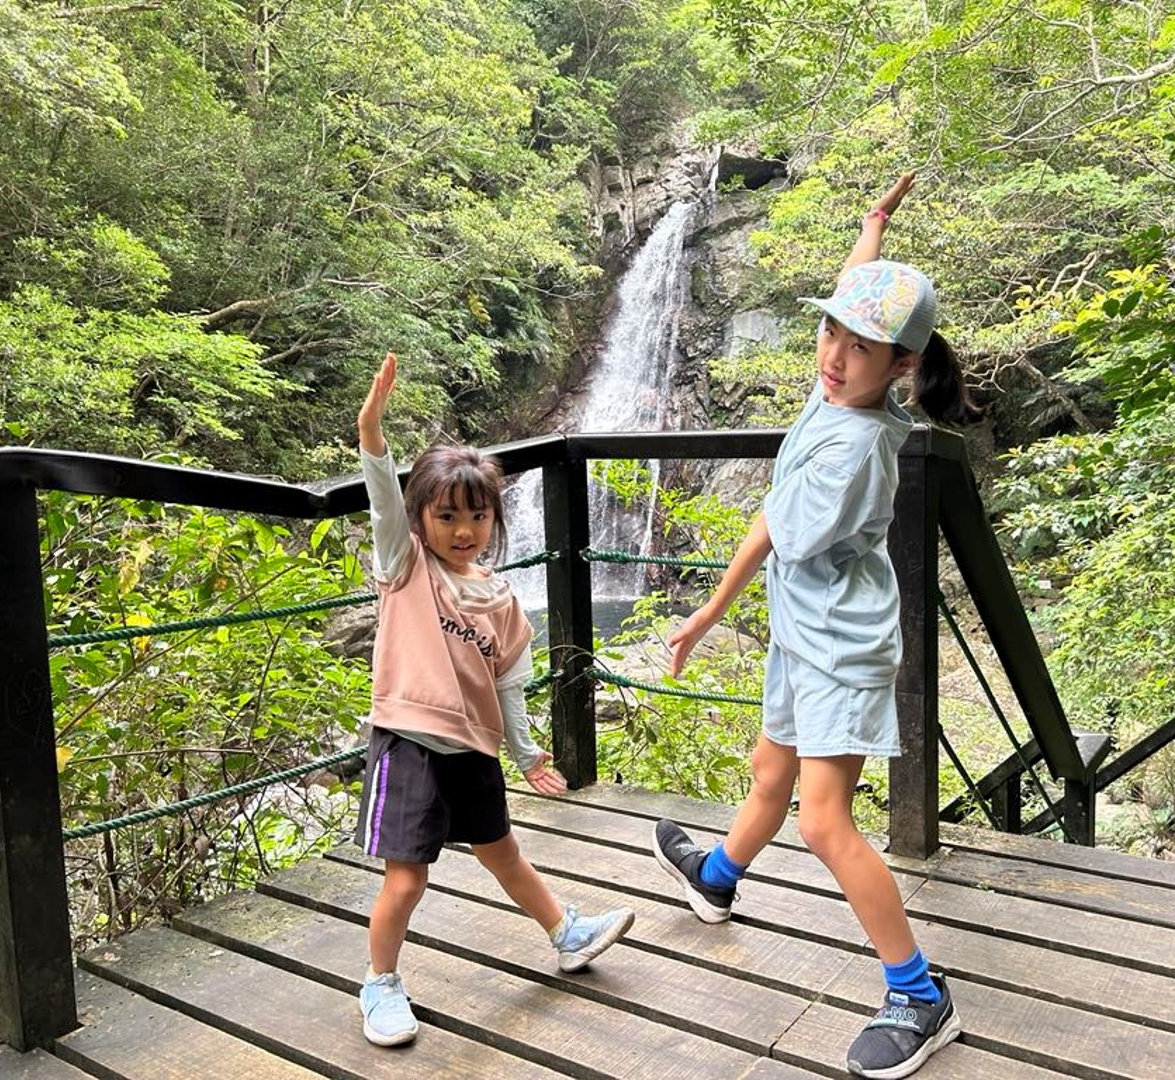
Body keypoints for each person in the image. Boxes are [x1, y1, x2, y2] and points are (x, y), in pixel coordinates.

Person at [652, 173, 977, 1078]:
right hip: (804, 635)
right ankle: (715, 879)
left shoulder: (857, 450)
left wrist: (711, 609)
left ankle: (919, 993)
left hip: (840, 650)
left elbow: (776, 526)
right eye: (830, 332)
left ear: (901, 366)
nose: (833, 353)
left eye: (859, 345)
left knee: (824, 823)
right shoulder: (837, 394)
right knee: (770, 772)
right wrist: (873, 227)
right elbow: (851, 303)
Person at [353, 351, 634, 1047]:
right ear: (421, 519)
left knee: (503, 851)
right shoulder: (406, 566)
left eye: (476, 516)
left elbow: (509, 684)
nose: (462, 530)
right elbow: (383, 499)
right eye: (446, 515)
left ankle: (566, 933)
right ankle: (379, 983)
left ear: (493, 521)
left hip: (473, 749)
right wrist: (371, 432)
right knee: (407, 880)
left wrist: (527, 753)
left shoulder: (504, 600)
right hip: (409, 742)